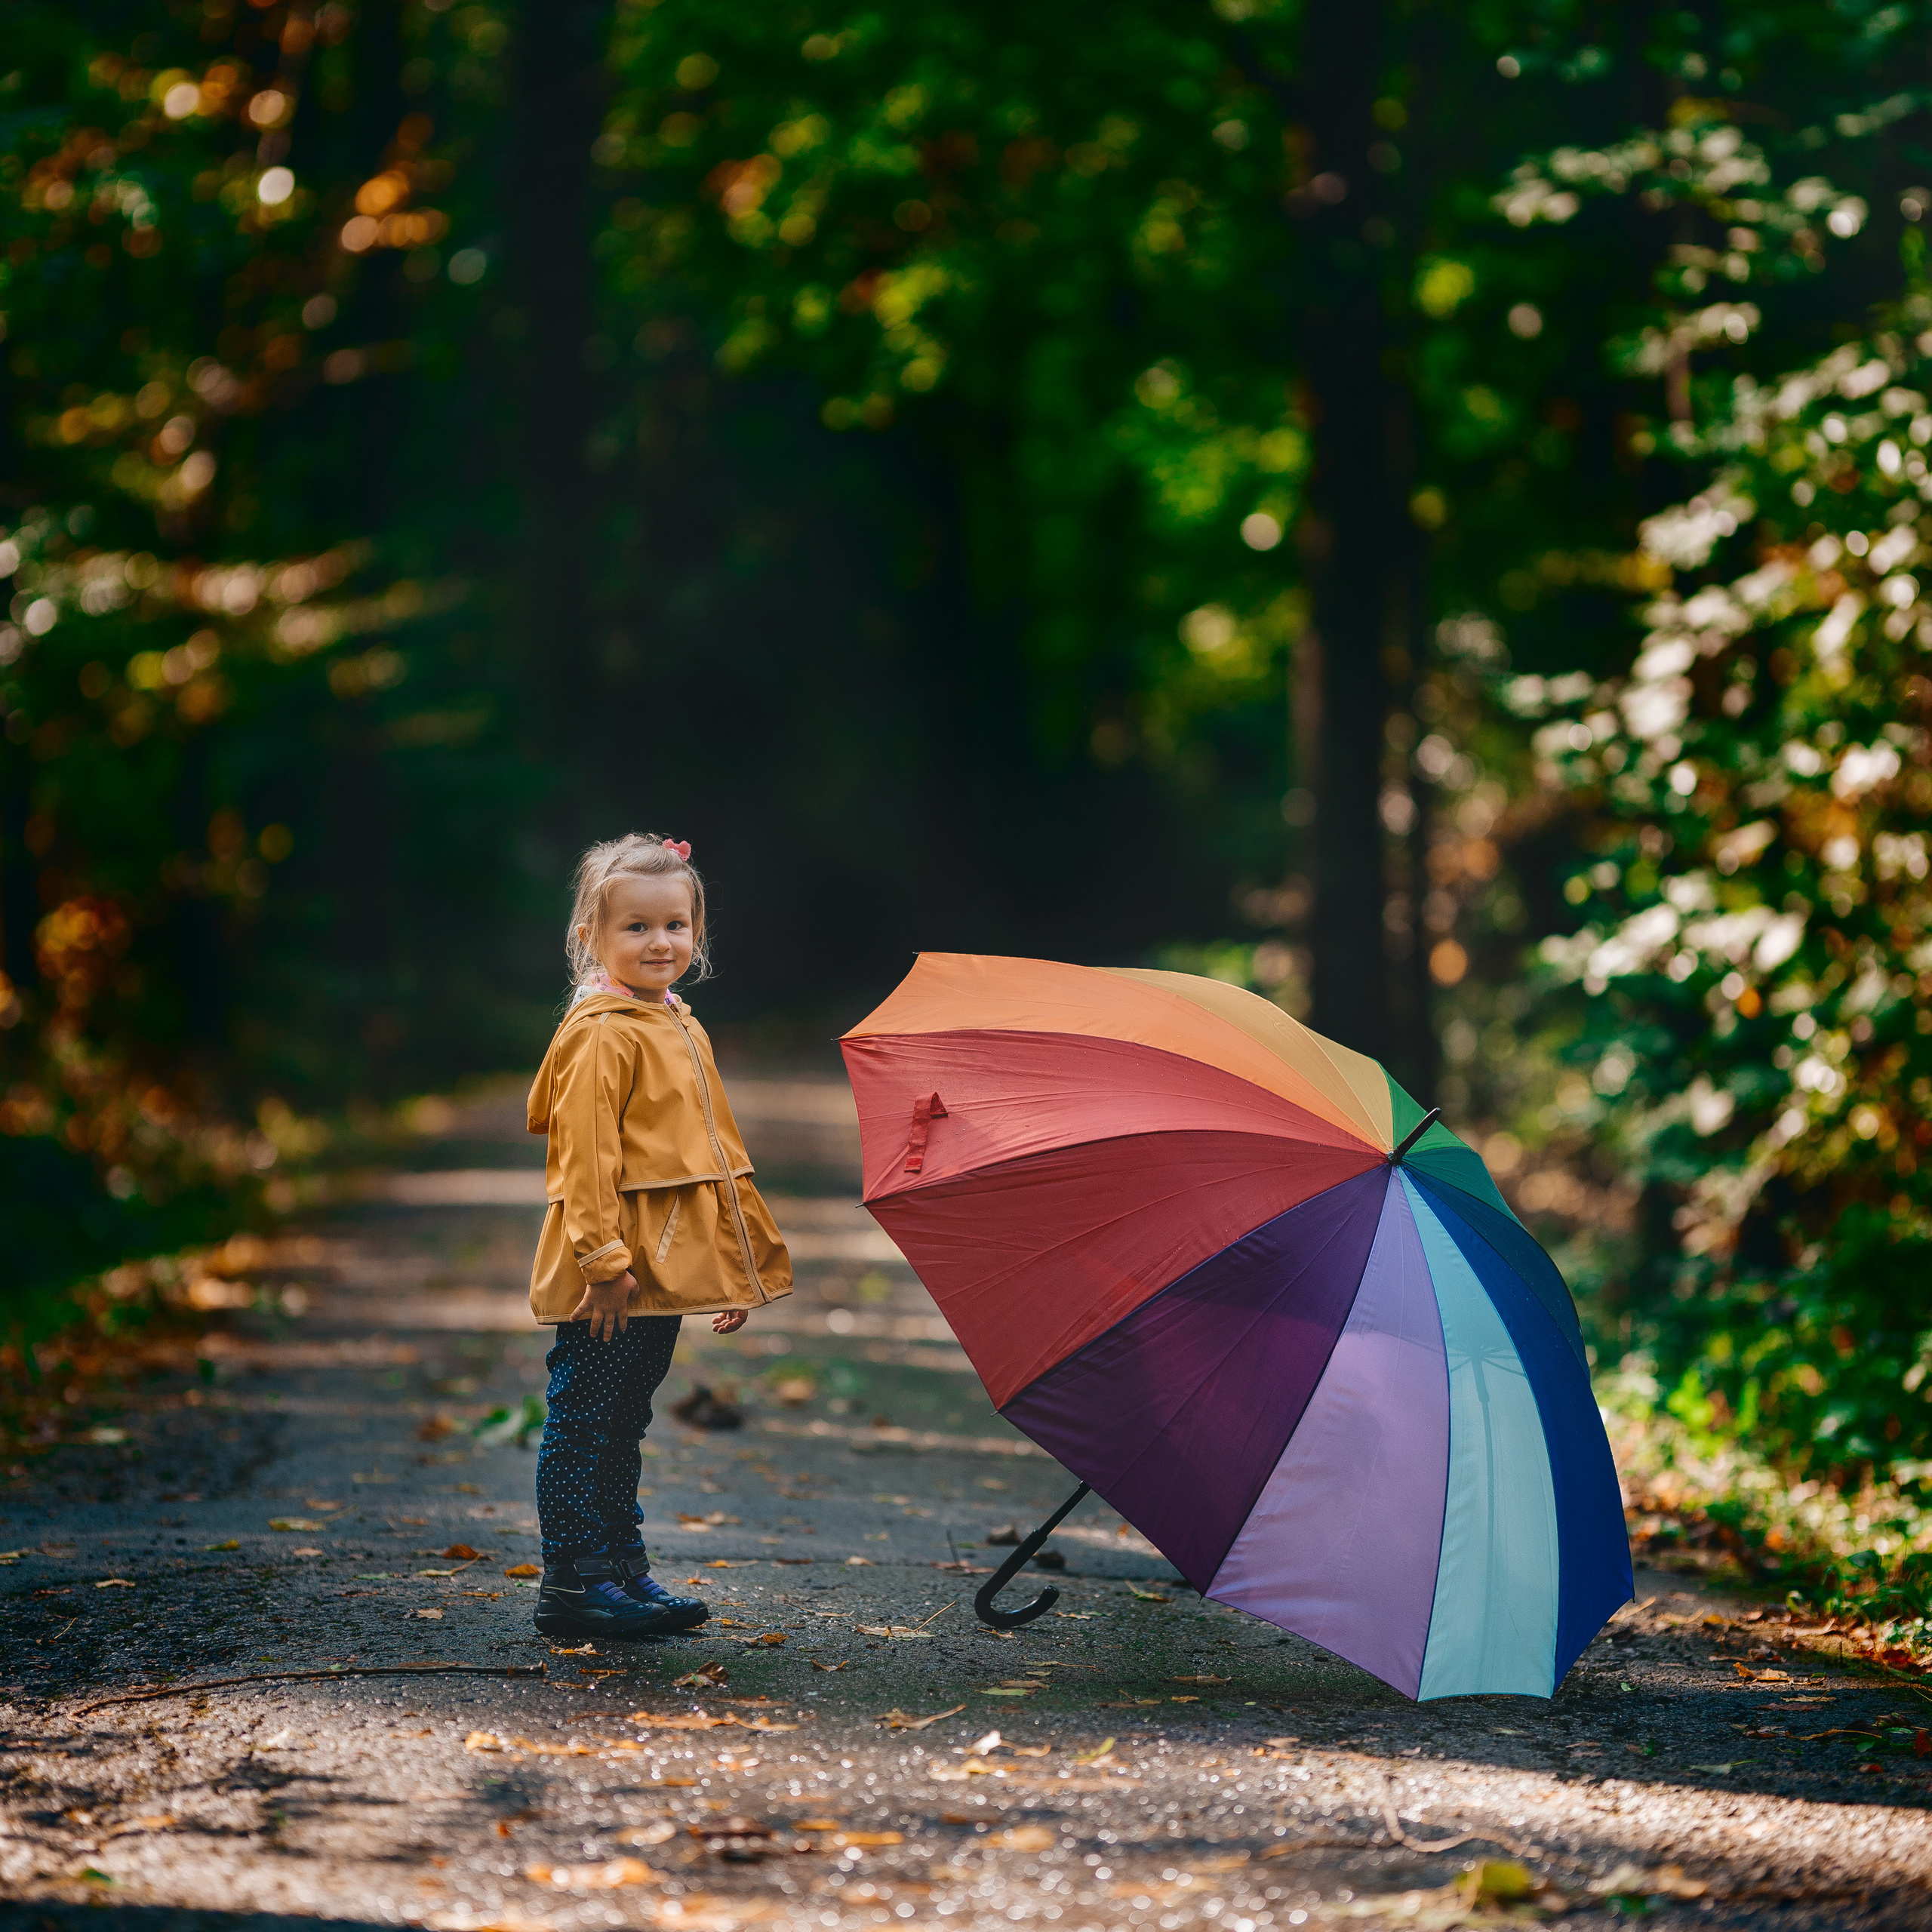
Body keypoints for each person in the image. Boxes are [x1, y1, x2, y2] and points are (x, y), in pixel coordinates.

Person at [525, 832, 792, 1638]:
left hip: (660, 1269)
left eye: (675, 924)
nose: (659, 942)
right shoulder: (603, 1031)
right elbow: (584, 1159)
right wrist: (603, 1262)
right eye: (636, 927)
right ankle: (574, 1581)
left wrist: (735, 1266)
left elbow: (713, 1158)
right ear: (591, 937)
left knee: (624, 1422)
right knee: (585, 1422)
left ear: (696, 930)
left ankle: (621, 1569)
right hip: (612, 1275)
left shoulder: (674, 1020)